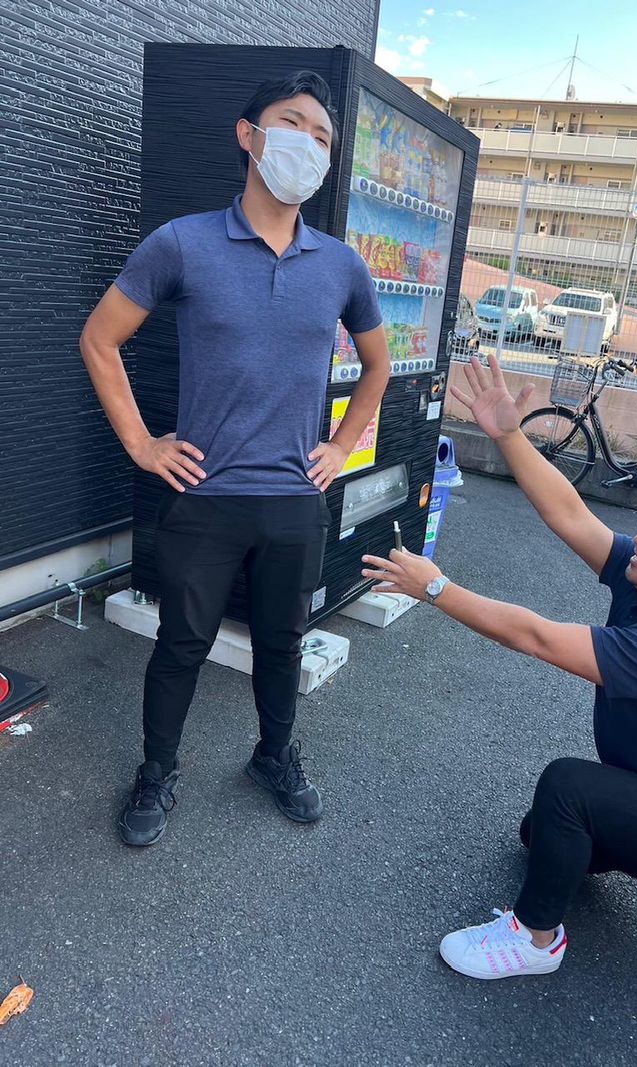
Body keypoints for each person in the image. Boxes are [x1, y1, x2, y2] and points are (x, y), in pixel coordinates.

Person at [362, 354, 637, 981]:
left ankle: (536, 940)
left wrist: (434, 587)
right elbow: (570, 514)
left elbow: (536, 637)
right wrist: (508, 434)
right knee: (540, 835)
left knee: (568, 789)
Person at [81, 72, 389, 845]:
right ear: (249, 135)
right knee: (181, 644)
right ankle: (157, 771)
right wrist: (142, 443)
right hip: (205, 494)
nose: (309, 145)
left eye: (323, 138)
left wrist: (342, 445)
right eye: (294, 124)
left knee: (282, 643)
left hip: (294, 500)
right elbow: (99, 338)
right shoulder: (182, 242)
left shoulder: (341, 266)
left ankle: (273, 756)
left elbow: (378, 365)